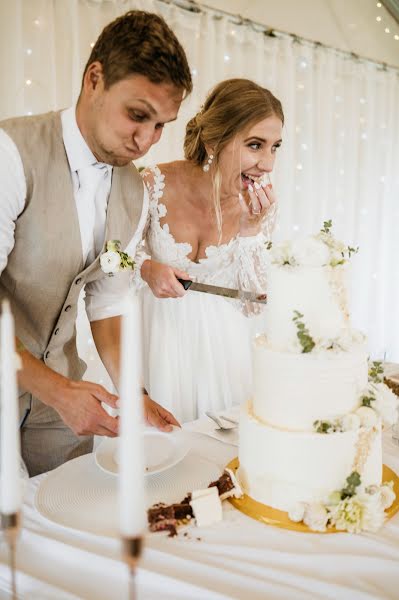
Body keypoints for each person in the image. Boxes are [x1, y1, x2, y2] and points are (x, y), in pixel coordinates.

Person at [0, 10, 192, 476]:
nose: (146, 140)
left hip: (57, 403)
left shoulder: (135, 191)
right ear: (94, 79)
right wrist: (58, 391)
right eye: (138, 115)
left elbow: (107, 303)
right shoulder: (10, 154)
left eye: (162, 124)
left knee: (70, 519)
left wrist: (134, 394)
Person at [134, 78, 283, 422]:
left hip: (220, 350)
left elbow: (254, 303)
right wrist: (146, 268)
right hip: (156, 337)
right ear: (216, 140)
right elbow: (114, 261)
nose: (268, 163)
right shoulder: (152, 183)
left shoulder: (258, 205)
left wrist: (250, 231)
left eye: (275, 147)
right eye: (256, 145)